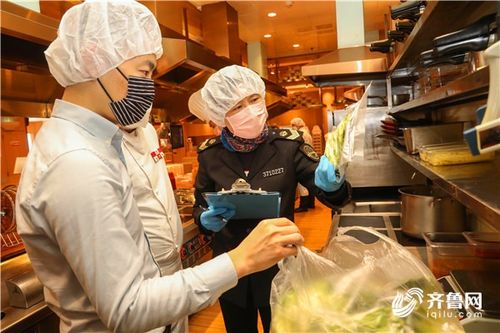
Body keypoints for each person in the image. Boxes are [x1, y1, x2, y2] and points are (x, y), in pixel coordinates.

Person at [15, 2, 304, 333]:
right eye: (144, 71)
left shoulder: (99, 143)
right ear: (95, 57)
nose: (149, 86)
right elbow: (127, 309)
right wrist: (242, 259)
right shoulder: (77, 162)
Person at [189, 65, 351, 333]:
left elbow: (333, 197)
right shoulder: (210, 155)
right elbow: (199, 205)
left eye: (253, 100)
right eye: (237, 106)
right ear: (221, 116)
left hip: (280, 268)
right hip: (232, 270)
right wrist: (206, 220)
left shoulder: (288, 145)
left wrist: (333, 185)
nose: (250, 110)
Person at [121, 120, 187, 332]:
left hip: (174, 259)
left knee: (178, 323)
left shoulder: (149, 130)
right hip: (141, 269)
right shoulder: (102, 142)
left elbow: (159, 186)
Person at [290, 117, 316, 212]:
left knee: (302, 185)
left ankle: (303, 206)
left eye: (293, 125)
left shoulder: (301, 134)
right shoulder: (306, 132)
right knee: (309, 183)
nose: (292, 127)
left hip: (302, 159)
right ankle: (311, 203)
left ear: (297, 125)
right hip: (309, 158)